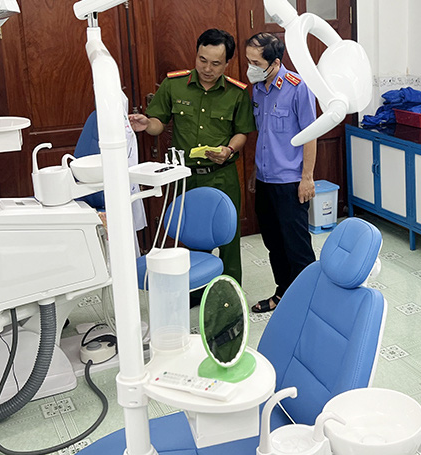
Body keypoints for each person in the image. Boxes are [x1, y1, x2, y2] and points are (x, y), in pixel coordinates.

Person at [129, 28, 255, 284]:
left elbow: (242, 132)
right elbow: (157, 123)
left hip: (221, 176)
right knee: (191, 236)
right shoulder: (174, 85)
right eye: (202, 60)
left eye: (216, 63)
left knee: (228, 239)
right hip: (184, 177)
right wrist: (145, 124)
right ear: (196, 55)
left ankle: (229, 295)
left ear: (227, 63)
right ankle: (196, 288)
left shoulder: (237, 93)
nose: (207, 68)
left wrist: (229, 150)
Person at [244, 33, 318, 313]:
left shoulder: (297, 87)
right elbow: (264, 135)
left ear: (274, 63)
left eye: (255, 62)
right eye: (248, 60)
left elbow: (311, 136)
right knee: (274, 243)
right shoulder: (258, 89)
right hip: (265, 180)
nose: (249, 67)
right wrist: (254, 171)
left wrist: (307, 178)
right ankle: (284, 294)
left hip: (290, 182)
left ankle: (308, 303)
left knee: (297, 247)